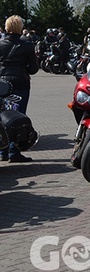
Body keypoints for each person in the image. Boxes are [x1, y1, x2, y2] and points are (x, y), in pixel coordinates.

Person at [0, 15, 39, 162]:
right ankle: (13, 151)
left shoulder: (0, 43)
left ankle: (2, 151)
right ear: (20, 27)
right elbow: (34, 68)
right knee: (17, 117)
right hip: (20, 84)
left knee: (2, 116)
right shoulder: (27, 45)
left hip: (2, 84)